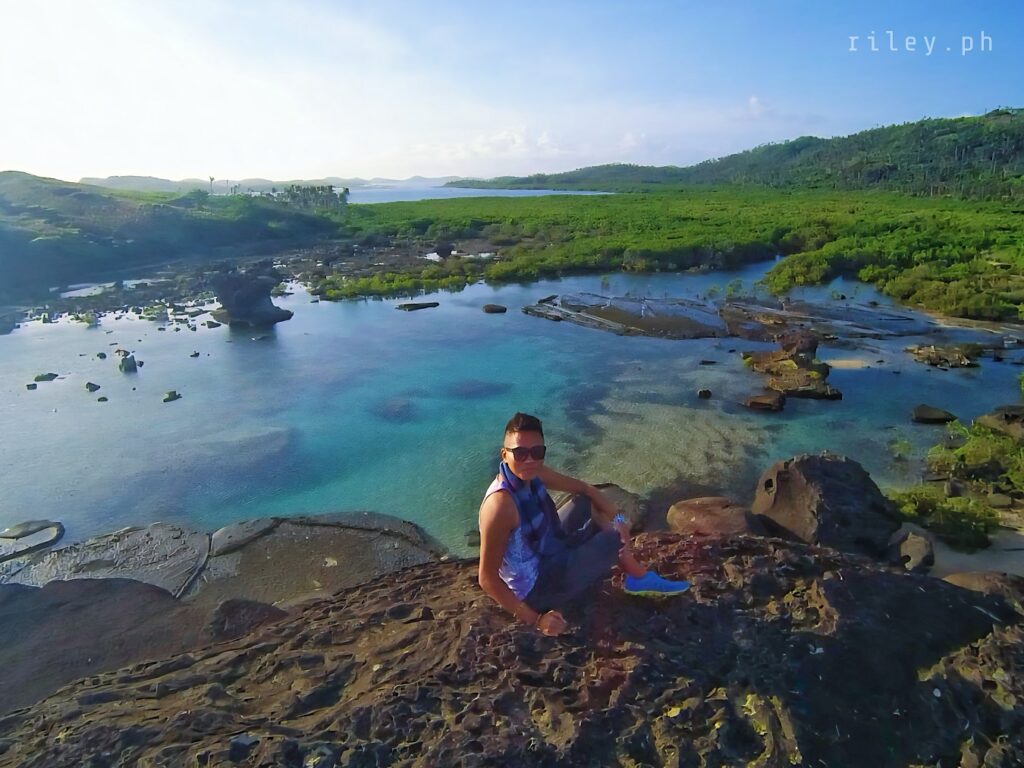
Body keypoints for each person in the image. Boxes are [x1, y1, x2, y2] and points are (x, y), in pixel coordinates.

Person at [477, 412, 690, 636]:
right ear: (505, 454)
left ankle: (633, 571)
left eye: (537, 452)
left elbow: (585, 489)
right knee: (611, 539)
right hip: (536, 588)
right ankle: (636, 575)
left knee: (585, 503)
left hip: (547, 551)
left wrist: (619, 519)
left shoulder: (533, 473)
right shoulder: (500, 506)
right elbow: (487, 578)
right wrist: (537, 619)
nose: (529, 459)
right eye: (520, 453)